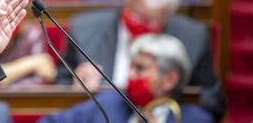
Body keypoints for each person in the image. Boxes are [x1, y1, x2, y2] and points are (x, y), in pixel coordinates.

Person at [59, 0, 225, 119]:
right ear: (127, 0)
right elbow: (58, 89)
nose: (143, 25)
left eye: (152, 20)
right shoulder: (84, 31)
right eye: (138, 15)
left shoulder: (193, 38)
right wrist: (78, 91)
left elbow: (213, 102)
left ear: (168, 15)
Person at [40, 34, 215, 123]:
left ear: (169, 79)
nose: (130, 75)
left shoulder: (197, 120)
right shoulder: (107, 103)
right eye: (131, 67)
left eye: (140, 68)